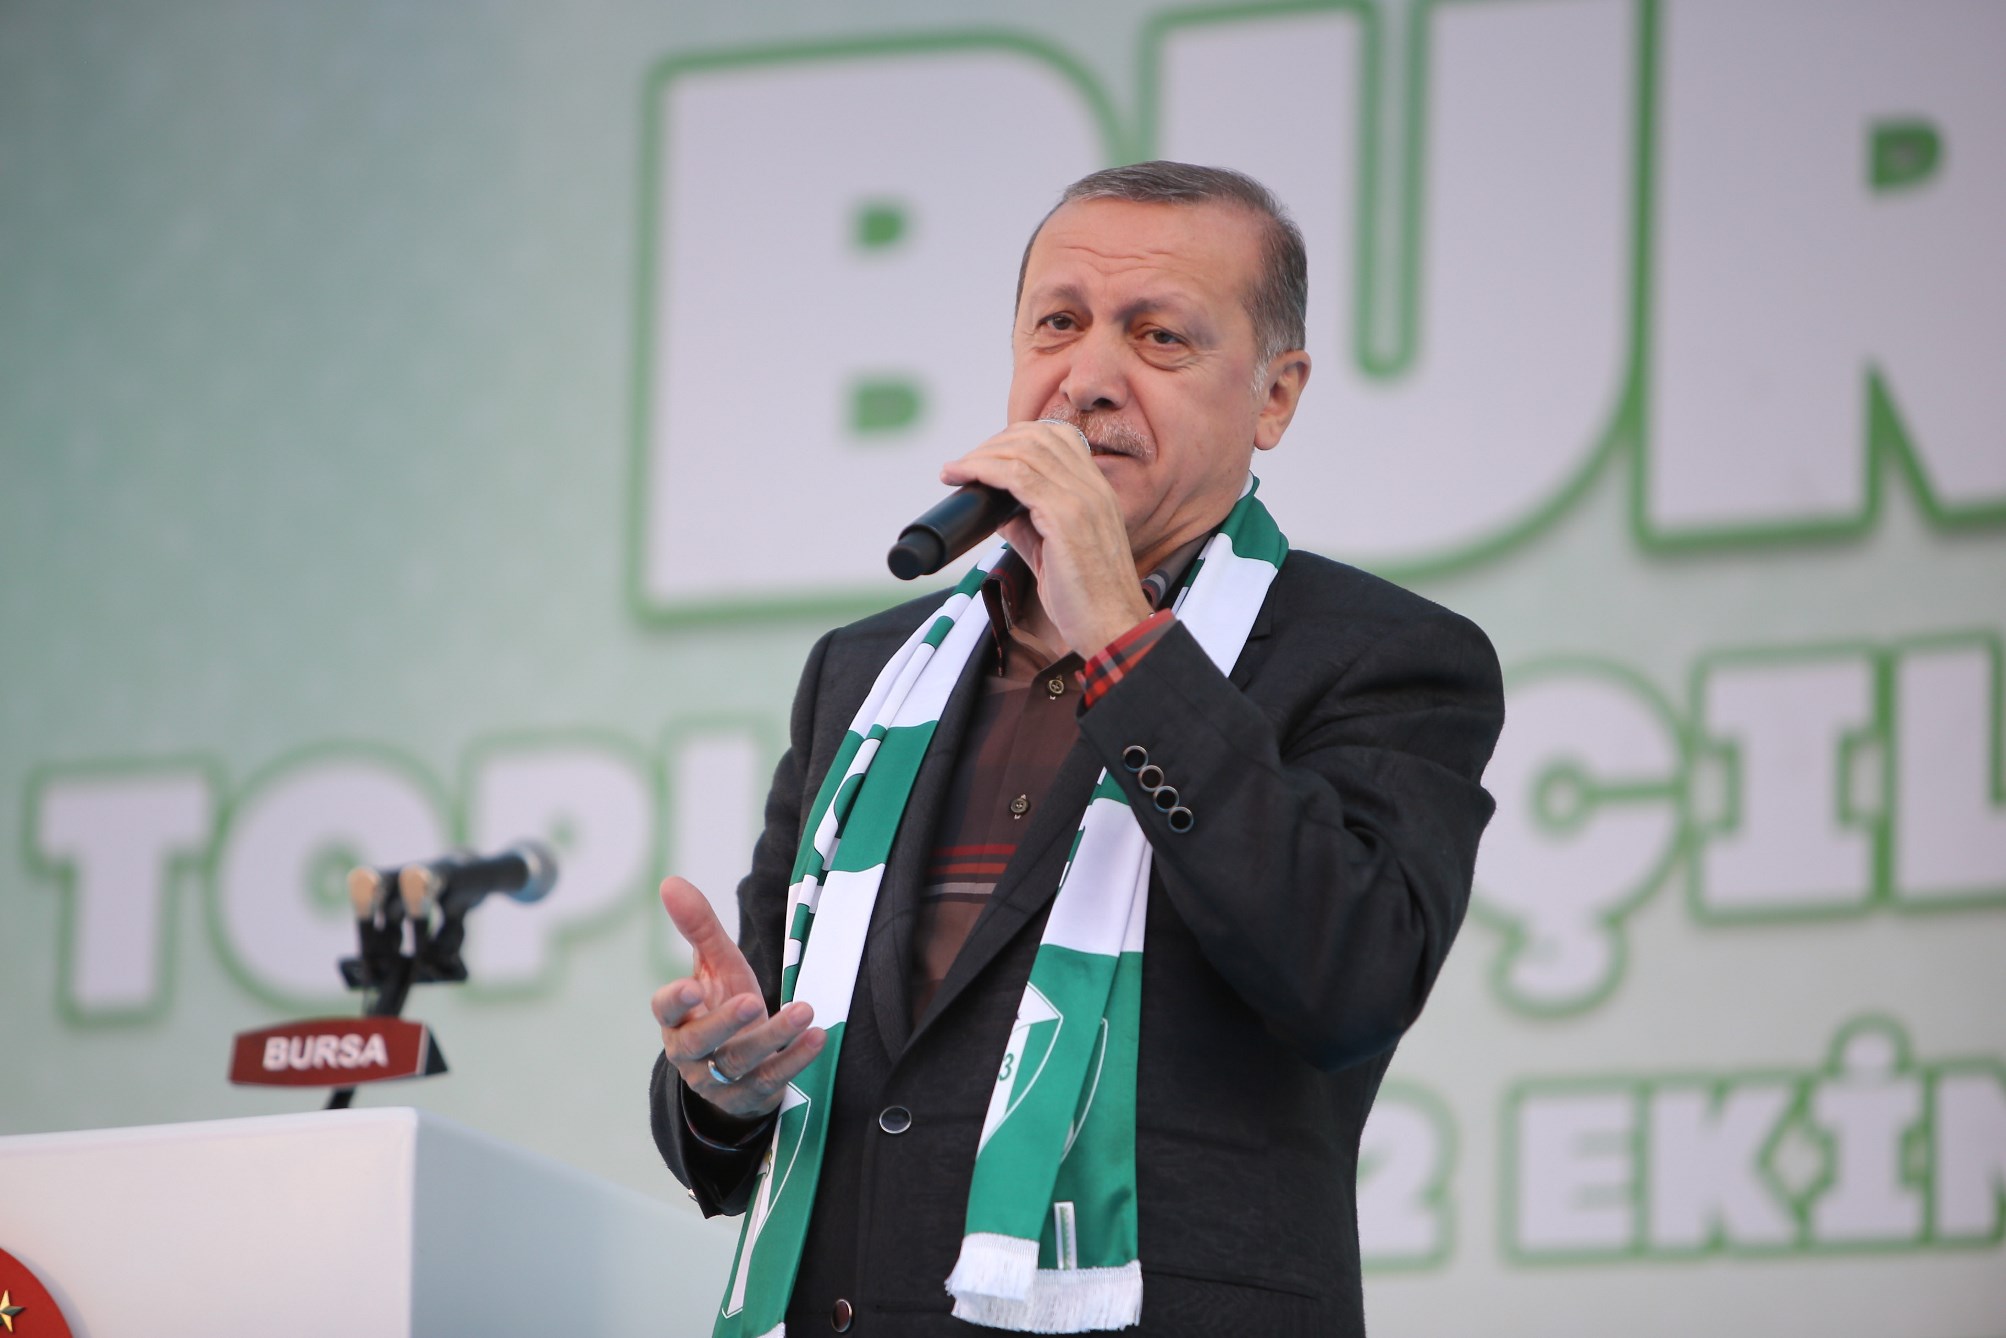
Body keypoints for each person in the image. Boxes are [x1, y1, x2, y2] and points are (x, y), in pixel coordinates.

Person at [648, 161, 1503, 1337]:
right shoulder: (867, 673)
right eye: (1057, 324)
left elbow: (1347, 979)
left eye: (1157, 337)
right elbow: (762, 1083)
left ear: (1274, 398)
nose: (1087, 377)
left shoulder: (1381, 656)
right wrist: (722, 1086)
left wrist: (1122, 634)